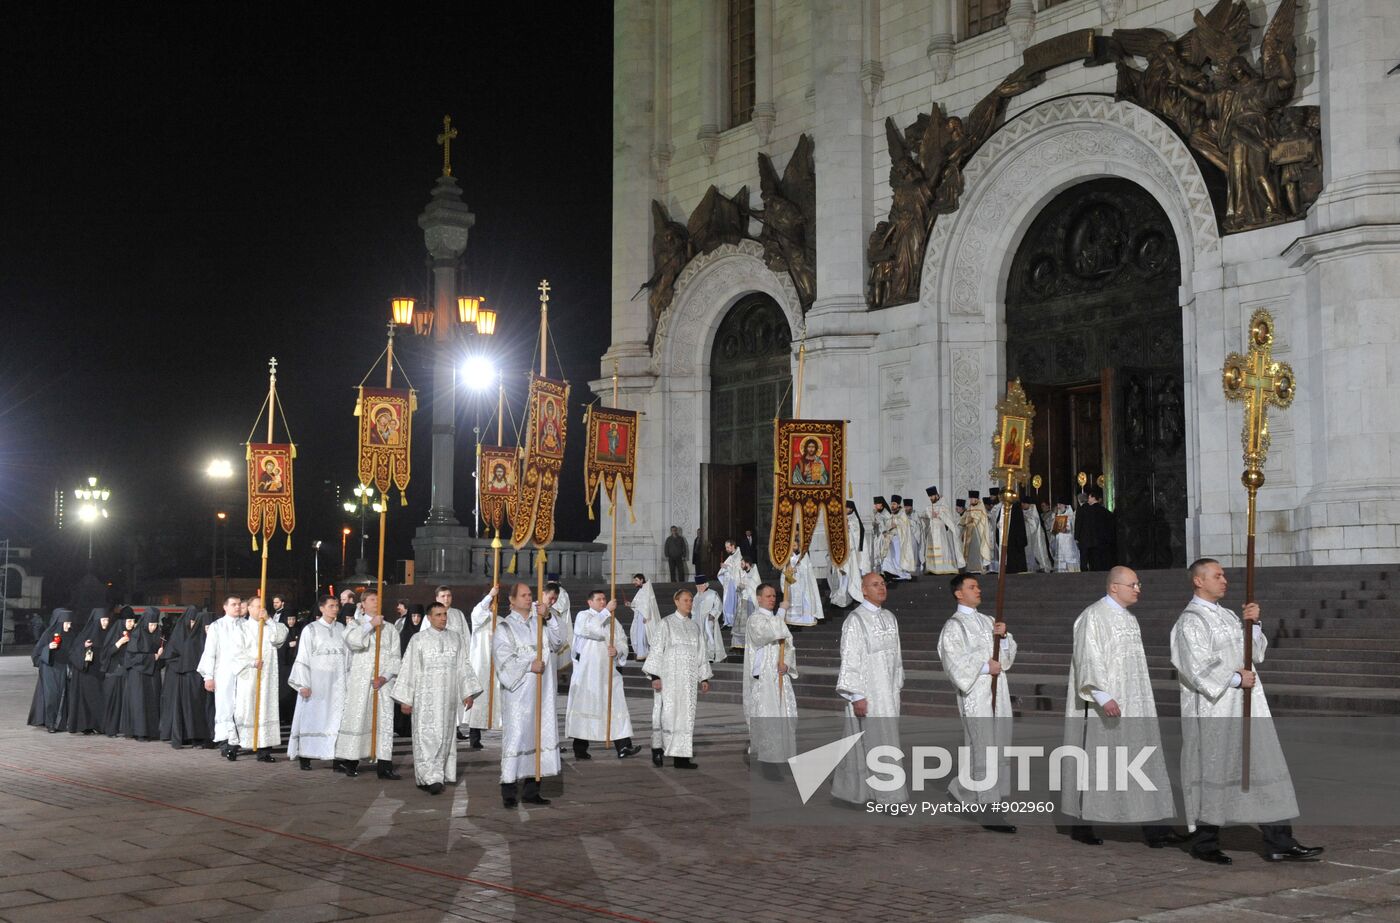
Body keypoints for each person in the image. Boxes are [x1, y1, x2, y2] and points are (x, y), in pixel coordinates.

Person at [1171, 558, 1323, 865]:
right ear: (1199, 581)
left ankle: (1279, 841)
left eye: (1224, 575)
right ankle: (1204, 842)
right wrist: (1237, 678)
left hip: (1247, 705)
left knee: (1261, 765)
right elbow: (1195, 666)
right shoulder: (1190, 621)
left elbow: (1253, 654)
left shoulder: (1228, 616)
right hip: (1216, 709)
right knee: (1215, 767)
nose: (1224, 580)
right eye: (1217, 575)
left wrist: (1253, 625)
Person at [1062, 567, 1180, 847]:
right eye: (1133, 584)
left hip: (1135, 701)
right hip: (1107, 703)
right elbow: (1088, 657)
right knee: (1097, 761)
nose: (1138, 588)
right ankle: (1082, 823)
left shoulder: (1129, 619)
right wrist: (1102, 695)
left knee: (1142, 760)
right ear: (1114, 587)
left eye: (1139, 583)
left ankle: (1155, 828)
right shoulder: (1093, 616)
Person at [937, 574, 1017, 832]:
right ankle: (989, 809)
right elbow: (953, 662)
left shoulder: (988, 621)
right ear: (959, 593)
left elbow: (1007, 658)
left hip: (998, 692)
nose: (978, 590)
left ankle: (962, 791)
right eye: (972, 587)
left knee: (997, 744)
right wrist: (984, 667)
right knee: (983, 747)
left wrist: (1004, 638)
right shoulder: (954, 626)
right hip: (975, 694)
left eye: (978, 586)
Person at [832, 573, 908, 806]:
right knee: (877, 741)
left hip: (888, 692)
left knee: (876, 740)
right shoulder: (856, 620)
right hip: (868, 692)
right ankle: (889, 797)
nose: (882, 588)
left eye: (883, 584)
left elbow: (897, 657)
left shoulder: (890, 617)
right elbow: (851, 657)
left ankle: (855, 791)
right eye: (875, 585)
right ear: (864, 590)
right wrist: (857, 695)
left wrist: (896, 685)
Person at [392, 602, 483, 795]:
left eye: (445, 614)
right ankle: (429, 776)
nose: (443, 618)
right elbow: (409, 669)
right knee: (427, 737)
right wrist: (406, 699)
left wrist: (467, 692)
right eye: (438, 615)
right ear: (430, 617)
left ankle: (440, 773)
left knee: (446, 737)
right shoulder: (418, 640)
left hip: (448, 698)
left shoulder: (455, 639)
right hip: (425, 698)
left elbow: (463, 666)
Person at [493, 583, 566, 808]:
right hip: (518, 693)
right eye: (523, 595)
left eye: (530, 595)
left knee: (539, 734)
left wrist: (550, 617)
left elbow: (559, 641)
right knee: (517, 736)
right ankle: (508, 789)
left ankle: (533, 788)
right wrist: (527, 665)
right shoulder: (504, 627)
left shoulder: (540, 622)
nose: (528, 598)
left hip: (542, 692)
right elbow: (502, 658)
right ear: (512, 600)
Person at [565, 590, 641, 760]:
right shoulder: (583, 616)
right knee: (586, 706)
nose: (602, 601)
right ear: (589, 602)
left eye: (604, 599)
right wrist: (606, 611)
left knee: (615, 706)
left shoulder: (613, 621)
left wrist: (618, 650)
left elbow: (622, 641)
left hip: (608, 672)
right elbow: (592, 630)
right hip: (588, 673)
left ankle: (623, 746)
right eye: (598, 599)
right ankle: (580, 748)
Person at [336, 591, 401, 779]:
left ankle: (384, 765)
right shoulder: (354, 624)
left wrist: (385, 677)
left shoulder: (390, 629)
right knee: (358, 718)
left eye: (379, 600)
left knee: (384, 721)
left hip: (382, 682)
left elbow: (396, 656)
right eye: (372, 600)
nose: (376, 603)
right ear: (363, 604)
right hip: (361, 680)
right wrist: (370, 625)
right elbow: (353, 642)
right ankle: (351, 761)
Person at [644, 588, 712, 768]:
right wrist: (655, 676)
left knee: (686, 716)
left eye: (691, 600)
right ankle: (658, 749)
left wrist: (703, 678)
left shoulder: (694, 626)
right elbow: (657, 650)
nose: (689, 603)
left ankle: (681, 757)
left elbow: (701, 654)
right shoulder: (665, 624)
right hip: (669, 679)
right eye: (685, 600)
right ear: (676, 601)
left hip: (688, 682)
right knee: (666, 714)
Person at [287, 595, 349, 771]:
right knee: (313, 717)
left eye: (337, 606)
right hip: (317, 682)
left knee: (336, 719)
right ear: (321, 608)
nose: (335, 609)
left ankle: (337, 758)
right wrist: (303, 684)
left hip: (337, 683)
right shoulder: (311, 629)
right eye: (331, 606)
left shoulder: (341, 628)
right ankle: (306, 754)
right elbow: (303, 656)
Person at [743, 583, 797, 780]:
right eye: (768, 596)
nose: (772, 599)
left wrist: (787, 664)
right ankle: (768, 762)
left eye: (774, 596)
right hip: (765, 678)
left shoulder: (777, 619)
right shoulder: (755, 619)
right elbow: (765, 635)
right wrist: (782, 611)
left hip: (779, 675)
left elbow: (788, 644)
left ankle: (784, 758)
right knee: (769, 718)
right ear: (758, 598)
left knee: (785, 717)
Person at [232, 597, 288, 762]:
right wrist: (251, 662)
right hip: (249, 676)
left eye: (263, 607)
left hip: (267, 677)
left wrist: (269, 620)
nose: (260, 610)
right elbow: (235, 653)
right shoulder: (241, 628)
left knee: (265, 710)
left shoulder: (270, 627)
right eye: (257, 607)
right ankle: (234, 746)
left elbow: (279, 638)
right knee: (246, 711)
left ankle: (264, 750)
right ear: (249, 608)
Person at [198, 595, 247, 757]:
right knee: (225, 707)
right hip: (223, 673)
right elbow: (210, 652)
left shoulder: (246, 625)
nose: (237, 607)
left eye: (239, 604)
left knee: (241, 708)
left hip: (243, 674)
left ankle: (238, 741)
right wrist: (208, 676)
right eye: (234, 604)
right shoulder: (217, 626)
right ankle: (226, 742)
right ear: (225, 607)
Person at [159, 606, 211, 748]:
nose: (193, 624)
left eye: (195, 622)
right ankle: (183, 736)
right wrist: (183, 665)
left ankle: (196, 736)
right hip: (180, 679)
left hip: (197, 678)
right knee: (182, 709)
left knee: (196, 709)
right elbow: (170, 656)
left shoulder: (201, 636)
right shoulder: (178, 634)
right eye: (191, 621)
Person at [465, 586, 504, 749]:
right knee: (479, 698)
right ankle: (474, 736)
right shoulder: (478, 617)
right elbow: (478, 611)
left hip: (497, 664)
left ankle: (500, 727)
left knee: (497, 696)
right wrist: (490, 595)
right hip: (481, 662)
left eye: (495, 602)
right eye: (490, 602)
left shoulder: (501, 621)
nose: (492, 605)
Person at [121, 607, 164, 741]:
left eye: (155, 625)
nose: (153, 628)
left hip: (152, 674)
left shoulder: (158, 634)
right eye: (151, 625)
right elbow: (131, 657)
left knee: (153, 701)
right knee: (140, 703)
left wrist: (161, 655)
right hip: (138, 675)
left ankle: (152, 731)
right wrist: (153, 657)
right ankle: (140, 732)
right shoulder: (137, 635)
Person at [28, 609, 73, 732]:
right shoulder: (48, 634)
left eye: (70, 623)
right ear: (60, 623)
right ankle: (51, 723)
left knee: (64, 696)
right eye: (67, 623)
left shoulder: (71, 635)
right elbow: (36, 654)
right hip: (50, 669)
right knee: (51, 696)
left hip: (64, 669)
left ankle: (62, 723)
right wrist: (48, 647)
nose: (69, 625)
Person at [66, 608, 107, 735]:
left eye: (107, 620)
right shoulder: (84, 636)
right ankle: (87, 725)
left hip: (100, 673)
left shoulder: (107, 634)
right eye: (103, 620)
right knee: (90, 700)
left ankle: (99, 725)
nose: (106, 623)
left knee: (98, 699)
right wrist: (83, 647)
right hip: (86, 673)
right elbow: (72, 652)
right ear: (96, 621)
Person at [829, 501, 868, 608]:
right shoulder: (840, 519)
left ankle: (843, 596)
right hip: (840, 552)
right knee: (841, 574)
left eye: (847, 508)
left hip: (850, 553)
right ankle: (842, 594)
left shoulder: (854, 520)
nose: (845, 510)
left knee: (847, 574)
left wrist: (849, 527)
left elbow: (857, 536)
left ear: (851, 509)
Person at [100, 608, 131, 737]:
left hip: (125, 673)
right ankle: (109, 729)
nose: (131, 624)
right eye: (129, 621)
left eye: (133, 621)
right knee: (111, 702)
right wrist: (119, 643)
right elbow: (106, 653)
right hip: (112, 673)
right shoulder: (113, 634)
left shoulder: (133, 634)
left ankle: (122, 728)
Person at [923, 487, 964, 575]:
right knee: (932, 550)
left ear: (936, 495)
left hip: (941, 530)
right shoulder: (928, 507)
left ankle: (943, 567)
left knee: (942, 549)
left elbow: (948, 518)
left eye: (932, 496)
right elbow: (926, 517)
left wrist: (939, 514)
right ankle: (932, 568)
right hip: (932, 530)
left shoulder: (943, 505)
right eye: (929, 497)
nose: (931, 498)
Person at [1073, 488, 1117, 571]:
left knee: (1084, 561)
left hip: (1085, 539)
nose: (1088, 499)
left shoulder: (1083, 509)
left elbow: (1078, 523)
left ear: (1092, 497)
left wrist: (1077, 537)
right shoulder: (1104, 511)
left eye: (1089, 497)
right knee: (1096, 562)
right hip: (1099, 541)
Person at [783, 546, 823, 627]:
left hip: (804, 585)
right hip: (793, 585)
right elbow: (785, 572)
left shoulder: (804, 556)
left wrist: (798, 568)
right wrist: (791, 571)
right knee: (793, 602)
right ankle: (793, 622)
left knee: (806, 601)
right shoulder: (788, 556)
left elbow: (807, 570)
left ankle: (806, 620)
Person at [692, 575, 726, 664]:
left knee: (709, 637)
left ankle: (710, 656)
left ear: (705, 585)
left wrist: (712, 615)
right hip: (698, 621)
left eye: (700, 586)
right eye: (697, 586)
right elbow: (693, 609)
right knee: (699, 638)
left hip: (708, 620)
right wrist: (693, 619)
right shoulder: (696, 596)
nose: (699, 588)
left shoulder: (712, 593)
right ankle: (701, 655)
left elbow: (718, 606)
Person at [730, 559, 761, 650]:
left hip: (750, 602)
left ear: (748, 563)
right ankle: (738, 644)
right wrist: (739, 587)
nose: (741, 565)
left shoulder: (754, 574)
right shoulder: (743, 574)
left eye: (742, 563)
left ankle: (748, 644)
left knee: (749, 624)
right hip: (743, 601)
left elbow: (756, 587)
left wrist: (746, 586)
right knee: (739, 625)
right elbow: (739, 589)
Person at [960, 491, 992, 574]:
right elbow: (965, 518)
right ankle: (970, 568)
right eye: (970, 499)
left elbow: (977, 520)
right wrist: (962, 522)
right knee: (970, 550)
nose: (970, 500)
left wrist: (970, 521)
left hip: (977, 533)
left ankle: (978, 567)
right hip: (969, 532)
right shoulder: (970, 508)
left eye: (972, 498)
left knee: (977, 549)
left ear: (977, 499)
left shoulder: (981, 508)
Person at [627, 573, 658, 659]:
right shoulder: (641, 590)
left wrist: (646, 615)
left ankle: (644, 653)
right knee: (639, 635)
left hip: (645, 616)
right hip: (640, 615)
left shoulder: (647, 589)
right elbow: (638, 604)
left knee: (644, 635)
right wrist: (630, 604)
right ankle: (642, 653)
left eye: (636, 580)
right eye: (634, 580)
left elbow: (648, 604)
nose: (634, 582)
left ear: (641, 580)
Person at [1022, 494, 1052, 573]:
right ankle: (1030, 567)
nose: (1023, 505)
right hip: (1028, 536)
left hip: (1037, 536)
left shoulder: (1033, 510)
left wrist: (1027, 519)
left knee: (1040, 550)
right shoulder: (1022, 512)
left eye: (1024, 503)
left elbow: (1035, 523)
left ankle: (1044, 566)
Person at [890, 494, 919, 578]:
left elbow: (905, 525)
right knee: (894, 556)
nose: (892, 506)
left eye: (894, 504)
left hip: (900, 539)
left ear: (898, 505)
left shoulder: (902, 513)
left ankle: (901, 572)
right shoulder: (893, 514)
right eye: (891, 504)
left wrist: (897, 525)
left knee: (899, 556)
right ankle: (897, 572)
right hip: (893, 538)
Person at [718, 540, 744, 629]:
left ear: (733, 546)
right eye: (726, 547)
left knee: (730, 603)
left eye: (728, 547)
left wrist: (726, 567)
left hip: (733, 583)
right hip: (728, 583)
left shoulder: (738, 556)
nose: (726, 549)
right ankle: (727, 621)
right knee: (727, 602)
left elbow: (737, 570)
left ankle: (730, 622)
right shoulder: (731, 556)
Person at [1051, 502, 1081, 572]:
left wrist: (1064, 529)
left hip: (1068, 543)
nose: (1058, 506)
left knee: (1069, 559)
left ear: (1065, 505)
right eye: (1058, 504)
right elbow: (1053, 530)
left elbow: (1071, 528)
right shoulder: (1057, 515)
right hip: (1060, 543)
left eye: (1060, 504)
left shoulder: (1070, 516)